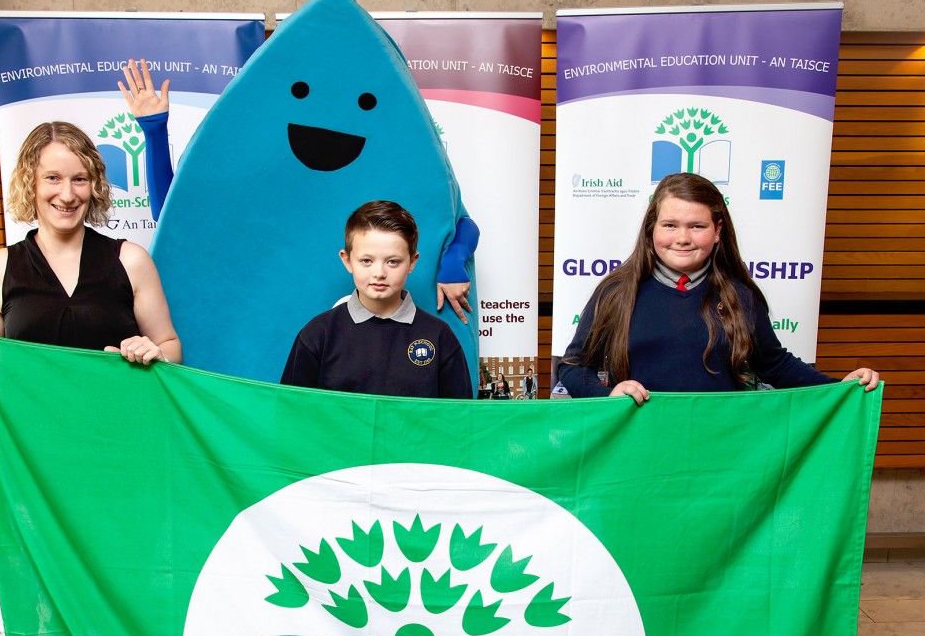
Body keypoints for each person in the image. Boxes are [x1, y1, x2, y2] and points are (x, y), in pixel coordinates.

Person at [117, 57, 479, 325]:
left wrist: (453, 259)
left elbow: (458, 220)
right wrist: (153, 129)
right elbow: (173, 214)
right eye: (302, 93)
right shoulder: (254, 179)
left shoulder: (394, 166)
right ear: (347, 258)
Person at [557, 173, 880, 406]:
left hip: (720, 453)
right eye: (670, 225)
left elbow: (776, 366)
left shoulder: (740, 296)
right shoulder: (616, 292)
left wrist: (841, 387)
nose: (682, 238)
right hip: (635, 448)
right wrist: (606, 394)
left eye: (697, 226)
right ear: (651, 228)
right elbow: (573, 367)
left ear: (717, 231)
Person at [0, 122, 181, 373]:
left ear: (94, 185)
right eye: (53, 178)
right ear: (30, 183)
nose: (67, 195)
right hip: (30, 414)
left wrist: (157, 354)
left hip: (118, 410)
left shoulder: (131, 260)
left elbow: (170, 347)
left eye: (80, 179)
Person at [280, 200, 472, 398]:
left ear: (412, 262)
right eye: (366, 261)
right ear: (347, 260)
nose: (379, 273)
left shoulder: (439, 336)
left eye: (393, 262)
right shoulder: (318, 334)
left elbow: (459, 420)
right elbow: (292, 413)